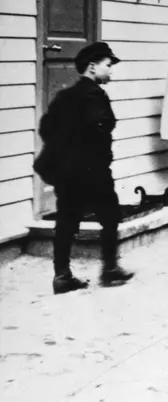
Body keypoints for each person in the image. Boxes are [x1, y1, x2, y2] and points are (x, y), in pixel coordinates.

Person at [36, 42, 135, 294]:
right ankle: (110, 269)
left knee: (67, 220)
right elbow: (99, 130)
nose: (111, 70)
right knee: (110, 216)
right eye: (108, 65)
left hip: (66, 172)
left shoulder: (63, 96)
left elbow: (46, 128)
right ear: (92, 67)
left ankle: (62, 275)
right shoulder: (95, 96)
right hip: (93, 170)